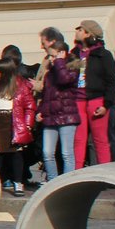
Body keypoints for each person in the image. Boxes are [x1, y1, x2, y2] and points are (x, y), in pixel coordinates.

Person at [0, 58, 36, 195]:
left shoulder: (21, 86)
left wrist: (28, 125)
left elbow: (29, 107)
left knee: (16, 155)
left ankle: (18, 182)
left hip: (14, 123)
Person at [71, 19, 115, 167]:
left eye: (80, 29)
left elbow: (112, 82)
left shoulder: (103, 55)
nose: (77, 32)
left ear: (88, 34)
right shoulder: (74, 54)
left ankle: (105, 171)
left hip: (97, 100)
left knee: (100, 139)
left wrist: (106, 104)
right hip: (78, 100)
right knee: (79, 139)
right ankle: (76, 171)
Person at [34, 32, 79, 179]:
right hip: (51, 116)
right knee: (47, 153)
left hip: (67, 115)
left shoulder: (72, 67)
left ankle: (67, 181)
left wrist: (59, 62)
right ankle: (53, 180)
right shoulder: (51, 73)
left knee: (67, 153)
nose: (52, 60)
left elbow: (64, 80)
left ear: (62, 54)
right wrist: (40, 111)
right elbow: (47, 94)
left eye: (54, 56)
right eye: (51, 57)